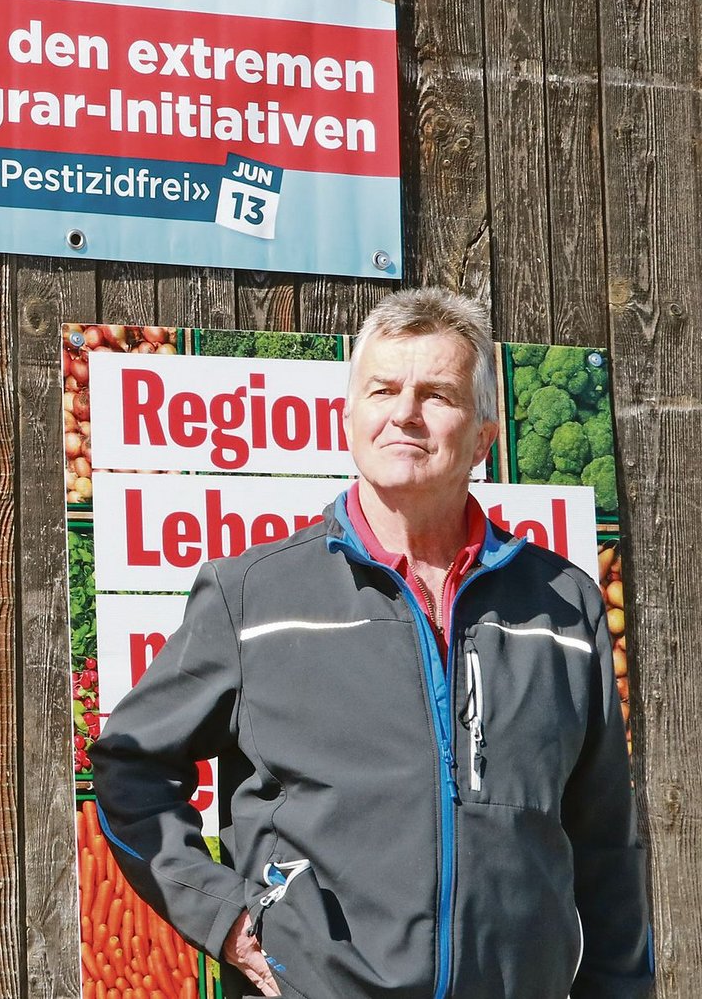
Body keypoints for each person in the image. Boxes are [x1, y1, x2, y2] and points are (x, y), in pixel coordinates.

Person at [91, 288, 651, 998]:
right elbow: (130, 766)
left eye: (437, 394)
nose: (405, 413)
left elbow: (605, 842)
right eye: (383, 390)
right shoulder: (253, 596)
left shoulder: (563, 606)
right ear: (348, 419)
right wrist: (226, 916)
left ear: (483, 436)